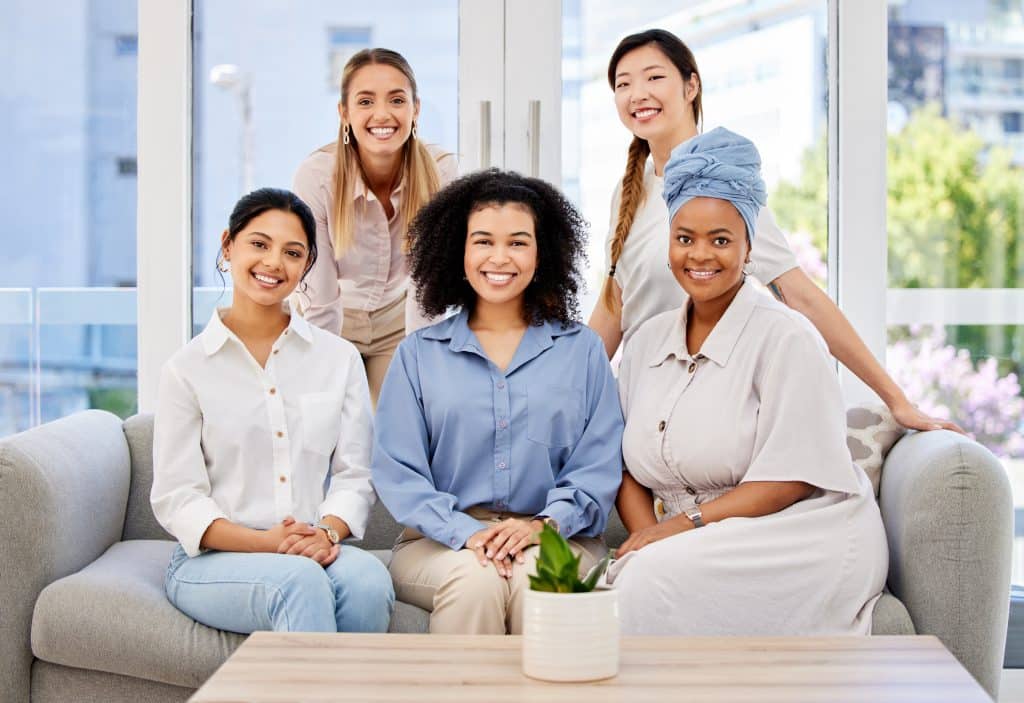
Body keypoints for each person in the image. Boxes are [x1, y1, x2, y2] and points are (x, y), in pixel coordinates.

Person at [589, 28, 962, 433]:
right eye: (623, 84)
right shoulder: (629, 189)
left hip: (702, 404)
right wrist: (566, 386)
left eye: (654, 77)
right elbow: (616, 307)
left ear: (691, 85)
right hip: (640, 398)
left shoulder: (721, 182)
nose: (637, 93)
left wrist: (897, 401)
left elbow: (797, 293)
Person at [608, 128, 888, 636]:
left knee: (644, 586)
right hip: (697, 540)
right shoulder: (645, 344)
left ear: (750, 247)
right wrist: (649, 537)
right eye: (684, 238)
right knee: (636, 577)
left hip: (796, 532)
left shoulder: (787, 338)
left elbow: (790, 479)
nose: (700, 255)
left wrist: (679, 530)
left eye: (721, 240)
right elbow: (625, 470)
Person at [372, 169, 624, 635]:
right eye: (483, 241)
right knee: (475, 580)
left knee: (541, 582)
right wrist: (468, 534)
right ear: (459, 250)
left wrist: (543, 527)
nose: (500, 258)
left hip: (557, 536)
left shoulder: (582, 351)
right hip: (440, 541)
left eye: (518, 242)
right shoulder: (418, 355)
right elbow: (398, 473)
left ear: (541, 251)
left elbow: (598, 466)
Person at [151, 188, 394, 634]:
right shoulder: (186, 370)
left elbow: (355, 474)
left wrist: (326, 533)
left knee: (367, 581)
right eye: (259, 244)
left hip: (310, 542)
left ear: (306, 266)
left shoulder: (338, 360)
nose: (273, 263)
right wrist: (265, 543)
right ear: (228, 245)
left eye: (292, 252)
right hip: (213, 559)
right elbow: (178, 499)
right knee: (297, 582)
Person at [293, 48, 458, 404]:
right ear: (344, 113)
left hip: (397, 321)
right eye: (365, 101)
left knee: (402, 420)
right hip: (334, 317)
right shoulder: (318, 176)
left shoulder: (442, 172)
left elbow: (426, 292)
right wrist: (319, 385)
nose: (382, 114)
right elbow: (321, 301)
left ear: (415, 109)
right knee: (330, 422)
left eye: (396, 100)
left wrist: (425, 377)